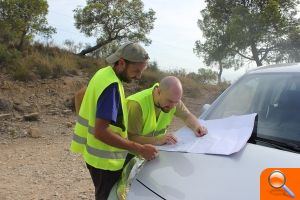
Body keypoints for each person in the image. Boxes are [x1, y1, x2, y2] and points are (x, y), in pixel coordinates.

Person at [70, 42, 158, 200]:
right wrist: (139, 149)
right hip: (105, 162)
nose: (138, 76)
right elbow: (100, 131)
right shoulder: (111, 87)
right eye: (136, 71)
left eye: (141, 71)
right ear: (122, 63)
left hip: (95, 157)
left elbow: (80, 95)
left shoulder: (103, 73)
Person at [127, 76, 208, 146]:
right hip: (131, 157)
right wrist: (158, 140)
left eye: (176, 102)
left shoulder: (173, 100)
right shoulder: (136, 105)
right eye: (170, 101)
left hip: (152, 153)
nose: (173, 106)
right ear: (158, 92)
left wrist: (197, 127)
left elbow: (187, 116)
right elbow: (131, 138)